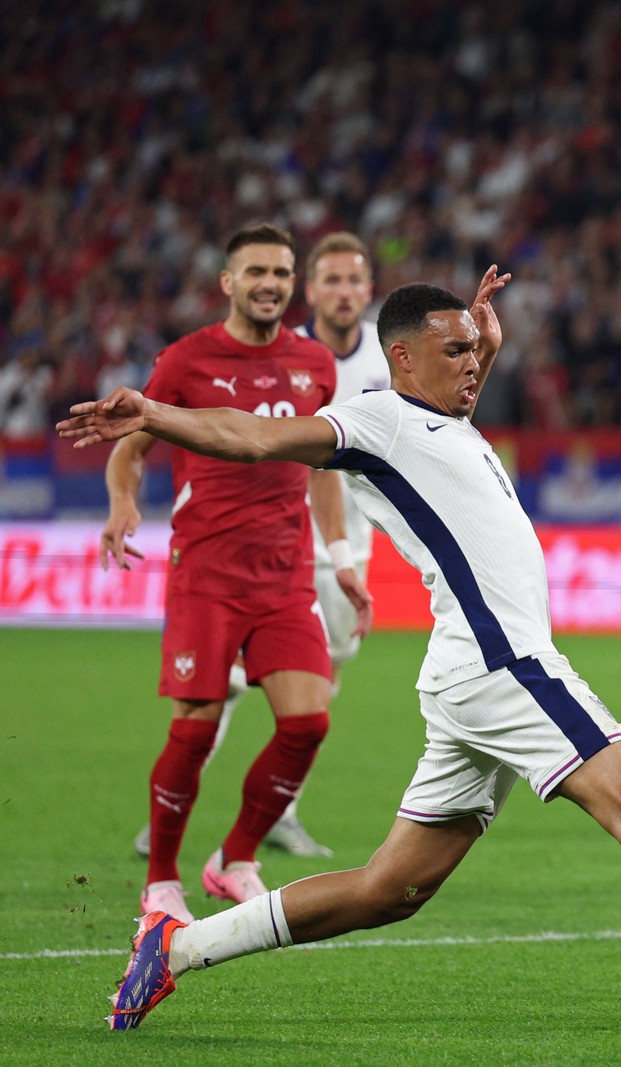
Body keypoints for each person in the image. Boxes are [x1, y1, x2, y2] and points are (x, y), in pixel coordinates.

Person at [66, 273, 621, 1034]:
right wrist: (157, 415)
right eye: (453, 349)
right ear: (401, 357)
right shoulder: (376, 419)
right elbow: (250, 437)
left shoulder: (443, 422)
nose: (473, 361)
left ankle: (174, 948)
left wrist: (483, 348)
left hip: (473, 670)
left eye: (474, 348)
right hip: (504, 666)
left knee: (390, 890)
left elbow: (449, 413)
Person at [102, 222, 372, 924]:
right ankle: (162, 879)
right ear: (228, 282)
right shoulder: (187, 361)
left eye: (281, 273)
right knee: (195, 727)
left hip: (286, 573)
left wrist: (340, 559)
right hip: (209, 571)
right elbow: (131, 445)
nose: (270, 284)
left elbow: (324, 466)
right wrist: (123, 501)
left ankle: (235, 856)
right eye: (256, 272)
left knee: (308, 722)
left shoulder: (314, 363)